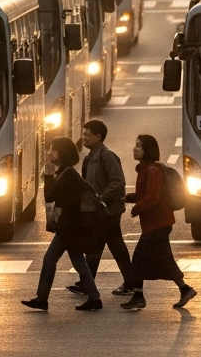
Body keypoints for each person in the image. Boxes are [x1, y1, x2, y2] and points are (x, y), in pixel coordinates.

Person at [23, 137, 102, 311]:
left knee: (49, 259)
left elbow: (51, 197)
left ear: (63, 153)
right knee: (79, 262)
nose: (49, 152)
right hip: (69, 227)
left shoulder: (68, 175)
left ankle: (42, 298)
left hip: (68, 228)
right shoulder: (65, 172)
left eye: (53, 149)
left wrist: (49, 174)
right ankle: (94, 297)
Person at [120, 135, 198, 310]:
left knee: (139, 259)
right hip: (155, 223)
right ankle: (185, 289)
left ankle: (139, 296)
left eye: (138, 146)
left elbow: (153, 197)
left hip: (158, 222)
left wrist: (136, 208)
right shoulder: (145, 169)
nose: (134, 148)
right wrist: (131, 198)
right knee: (163, 259)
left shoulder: (152, 170)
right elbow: (147, 194)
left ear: (147, 150)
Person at [76, 119, 135, 297]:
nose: (84, 138)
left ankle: (130, 283)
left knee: (116, 247)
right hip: (97, 211)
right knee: (95, 246)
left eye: (87, 135)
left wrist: (101, 199)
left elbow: (118, 182)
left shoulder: (107, 156)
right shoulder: (88, 159)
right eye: (83, 134)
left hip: (109, 211)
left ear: (98, 136)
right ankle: (87, 282)